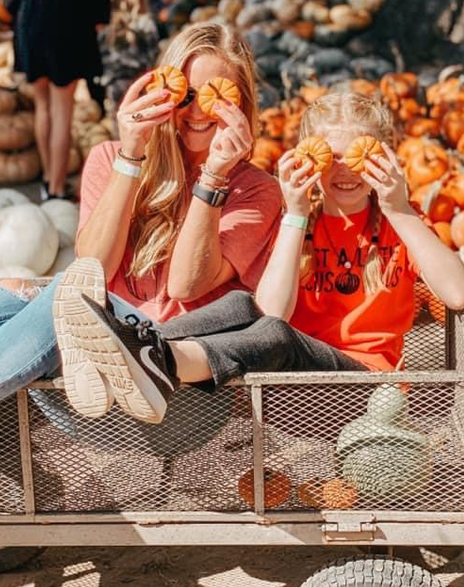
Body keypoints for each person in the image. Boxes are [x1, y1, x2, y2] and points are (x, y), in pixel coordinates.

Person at [0, 22, 281, 487]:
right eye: (187, 94)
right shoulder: (110, 157)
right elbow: (94, 263)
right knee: (43, 292)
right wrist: (133, 156)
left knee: (66, 293)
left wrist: (214, 177)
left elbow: (185, 286)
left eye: (218, 96)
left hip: (165, 376)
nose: (198, 111)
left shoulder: (257, 191)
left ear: (244, 104)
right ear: (161, 90)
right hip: (80, 366)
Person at [56, 92, 464, 424]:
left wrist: (398, 209)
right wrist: (297, 214)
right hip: (283, 390)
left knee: (276, 335)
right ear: (307, 156)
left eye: (359, 155)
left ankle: (158, 360)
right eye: (331, 155)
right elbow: (270, 308)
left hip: (366, 396)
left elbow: (458, 293)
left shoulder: (402, 222)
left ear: (385, 157)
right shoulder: (298, 221)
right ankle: (131, 348)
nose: (344, 169)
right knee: (239, 304)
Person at [2, 0, 110, 200]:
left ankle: (49, 178)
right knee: (63, 111)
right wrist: (99, 21)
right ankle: (57, 189)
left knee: (43, 107)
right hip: (68, 32)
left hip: (32, 30)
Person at [99, 0, 160, 129]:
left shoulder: (108, 29)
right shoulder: (146, 25)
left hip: (114, 85)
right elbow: (152, 56)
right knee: (142, 127)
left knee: (119, 126)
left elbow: (103, 59)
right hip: (140, 85)